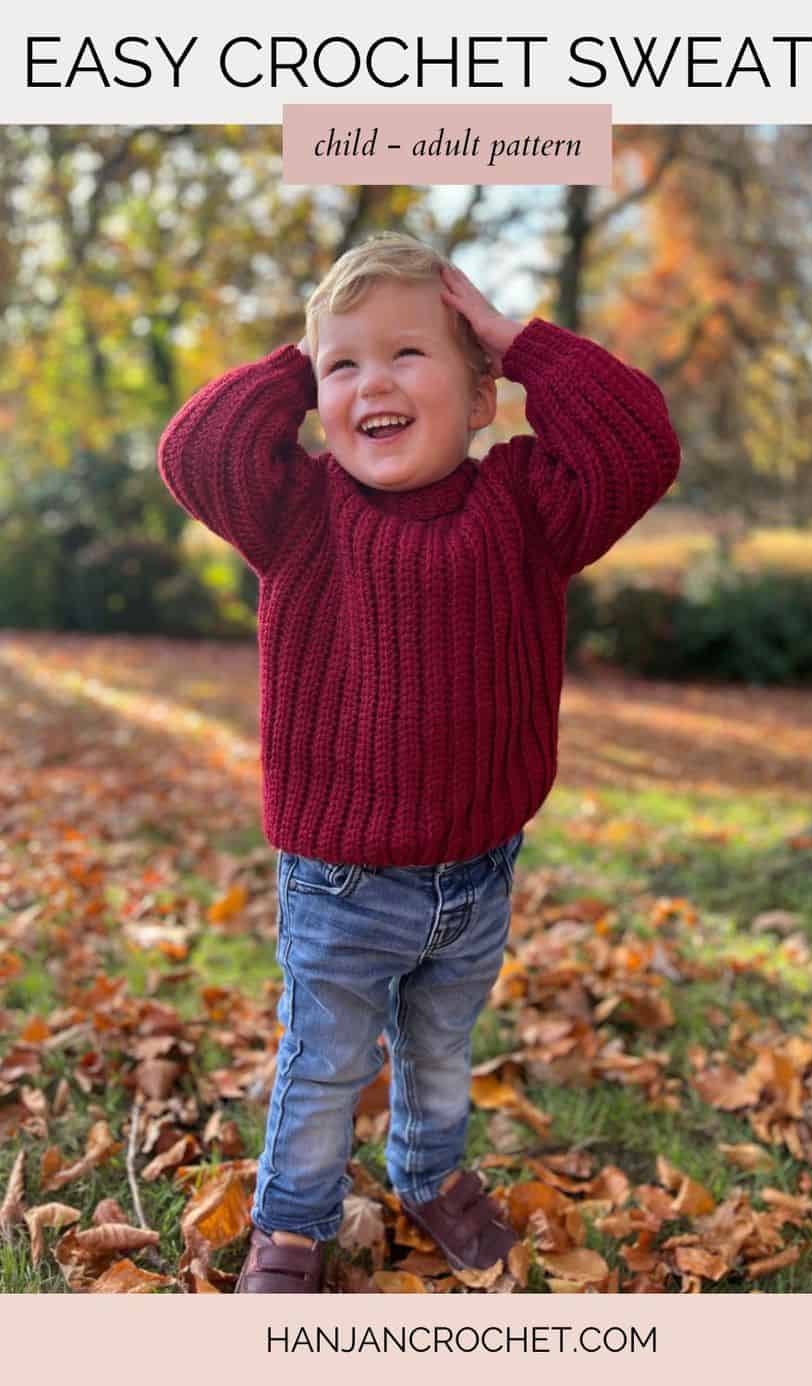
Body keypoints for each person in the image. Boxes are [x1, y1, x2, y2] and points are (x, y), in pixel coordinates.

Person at [157, 232, 681, 1292]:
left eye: (409, 355)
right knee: (325, 1067)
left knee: (442, 1051)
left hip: (478, 871)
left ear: (484, 397)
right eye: (343, 367)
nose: (372, 383)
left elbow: (639, 448)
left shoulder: (529, 508)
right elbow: (195, 452)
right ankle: (292, 1224)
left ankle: (430, 1173)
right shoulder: (295, 512)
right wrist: (294, 363)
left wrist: (518, 339)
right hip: (340, 882)